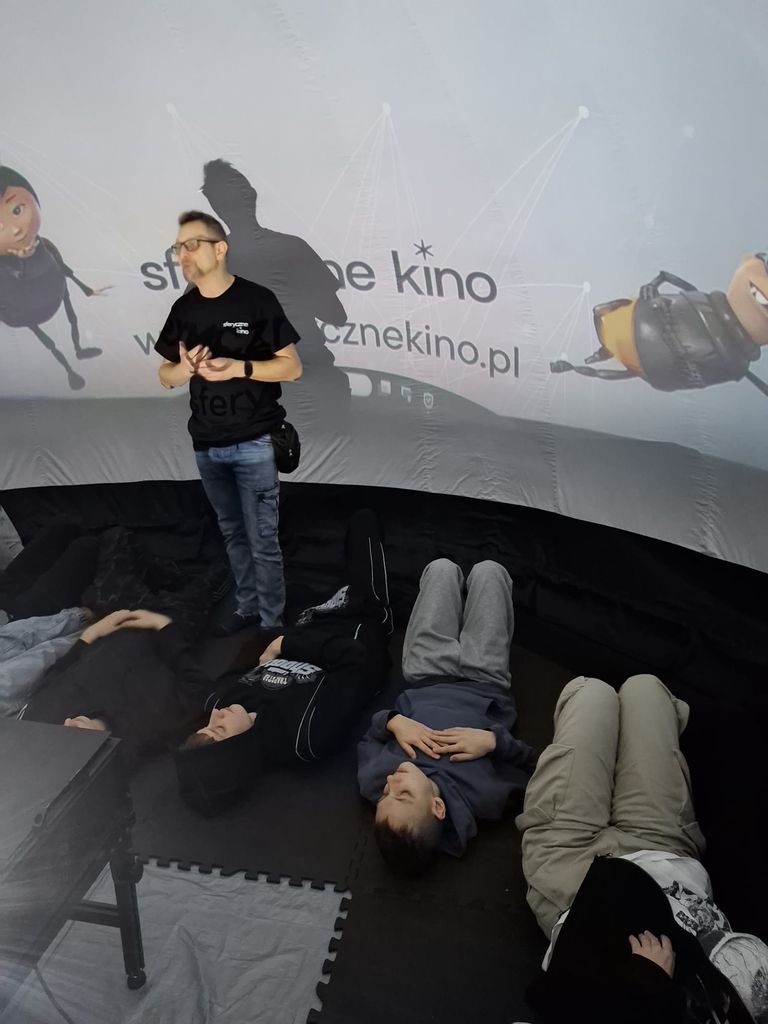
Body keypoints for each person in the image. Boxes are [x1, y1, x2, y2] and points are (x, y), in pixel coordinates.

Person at [516, 674, 767, 1024]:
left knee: (590, 693)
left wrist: (648, 987)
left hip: (573, 879)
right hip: (667, 851)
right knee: (646, 689)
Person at [174, 508, 393, 814]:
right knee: (363, 520)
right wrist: (283, 644)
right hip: (356, 618)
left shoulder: (226, 704)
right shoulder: (306, 735)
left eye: (209, 724)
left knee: (282, 544)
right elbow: (356, 658)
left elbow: (207, 670)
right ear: (240, 750)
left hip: (305, 620)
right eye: (219, 730)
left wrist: (279, 638)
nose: (216, 716)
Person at [154, 210, 302, 635]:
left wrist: (239, 367)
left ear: (220, 249)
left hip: (255, 441)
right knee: (233, 533)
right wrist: (183, 370)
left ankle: (271, 626)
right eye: (177, 248)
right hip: (206, 444)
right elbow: (164, 375)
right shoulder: (183, 308)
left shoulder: (256, 300)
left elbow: (292, 368)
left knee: (262, 540)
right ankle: (247, 607)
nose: (182, 255)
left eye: (191, 245)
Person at [357, 558, 534, 873]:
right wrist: (492, 741)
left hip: (426, 673)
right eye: (404, 793)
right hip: (485, 679)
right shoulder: (485, 798)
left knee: (441, 569)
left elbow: (370, 735)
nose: (393, 781)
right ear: (437, 807)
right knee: (490, 572)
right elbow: (531, 765)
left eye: (385, 794)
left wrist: (394, 722)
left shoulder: (373, 778)